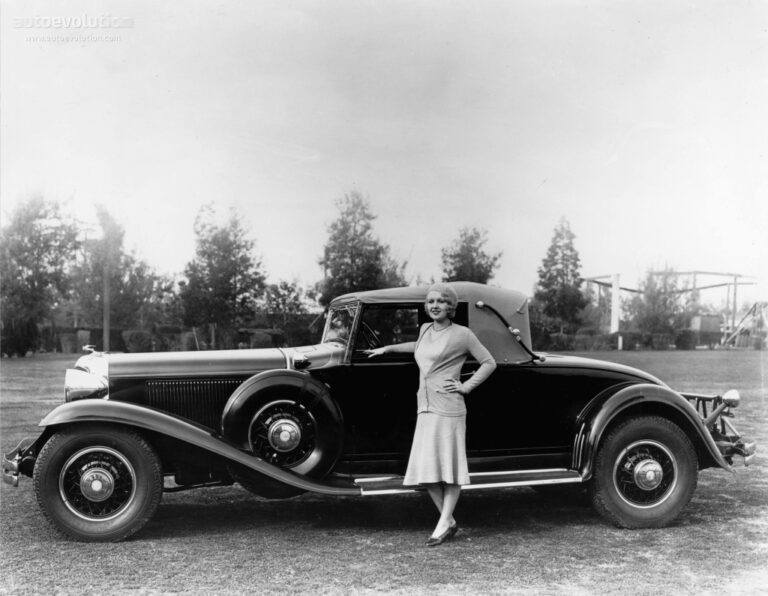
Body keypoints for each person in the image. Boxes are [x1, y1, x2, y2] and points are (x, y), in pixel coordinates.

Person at [365, 283, 496, 546]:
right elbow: (418, 347)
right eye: (430, 301)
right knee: (426, 471)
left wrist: (466, 386)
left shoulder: (463, 334)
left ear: (451, 307)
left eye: (440, 301)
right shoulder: (425, 329)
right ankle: (448, 521)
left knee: (451, 468)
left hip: (449, 407)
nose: (434, 305)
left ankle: (444, 522)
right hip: (424, 407)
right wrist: (388, 349)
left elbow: (489, 362)